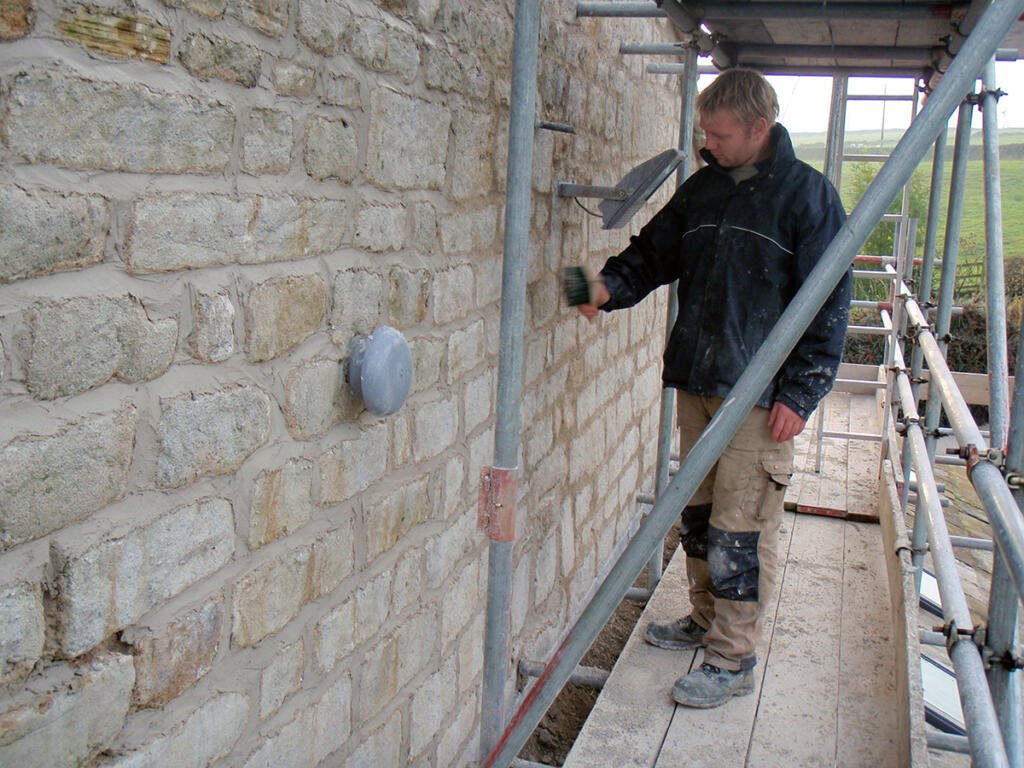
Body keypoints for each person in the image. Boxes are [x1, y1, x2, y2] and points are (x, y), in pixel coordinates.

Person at [577, 68, 851, 708]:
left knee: (740, 529)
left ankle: (732, 657)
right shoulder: (703, 190)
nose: (710, 143)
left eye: (721, 134)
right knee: (698, 517)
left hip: (760, 400)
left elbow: (830, 302)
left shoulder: (808, 200)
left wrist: (802, 392)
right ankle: (704, 619)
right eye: (705, 132)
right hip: (699, 383)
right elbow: (653, 253)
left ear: (760, 129)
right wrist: (599, 288)